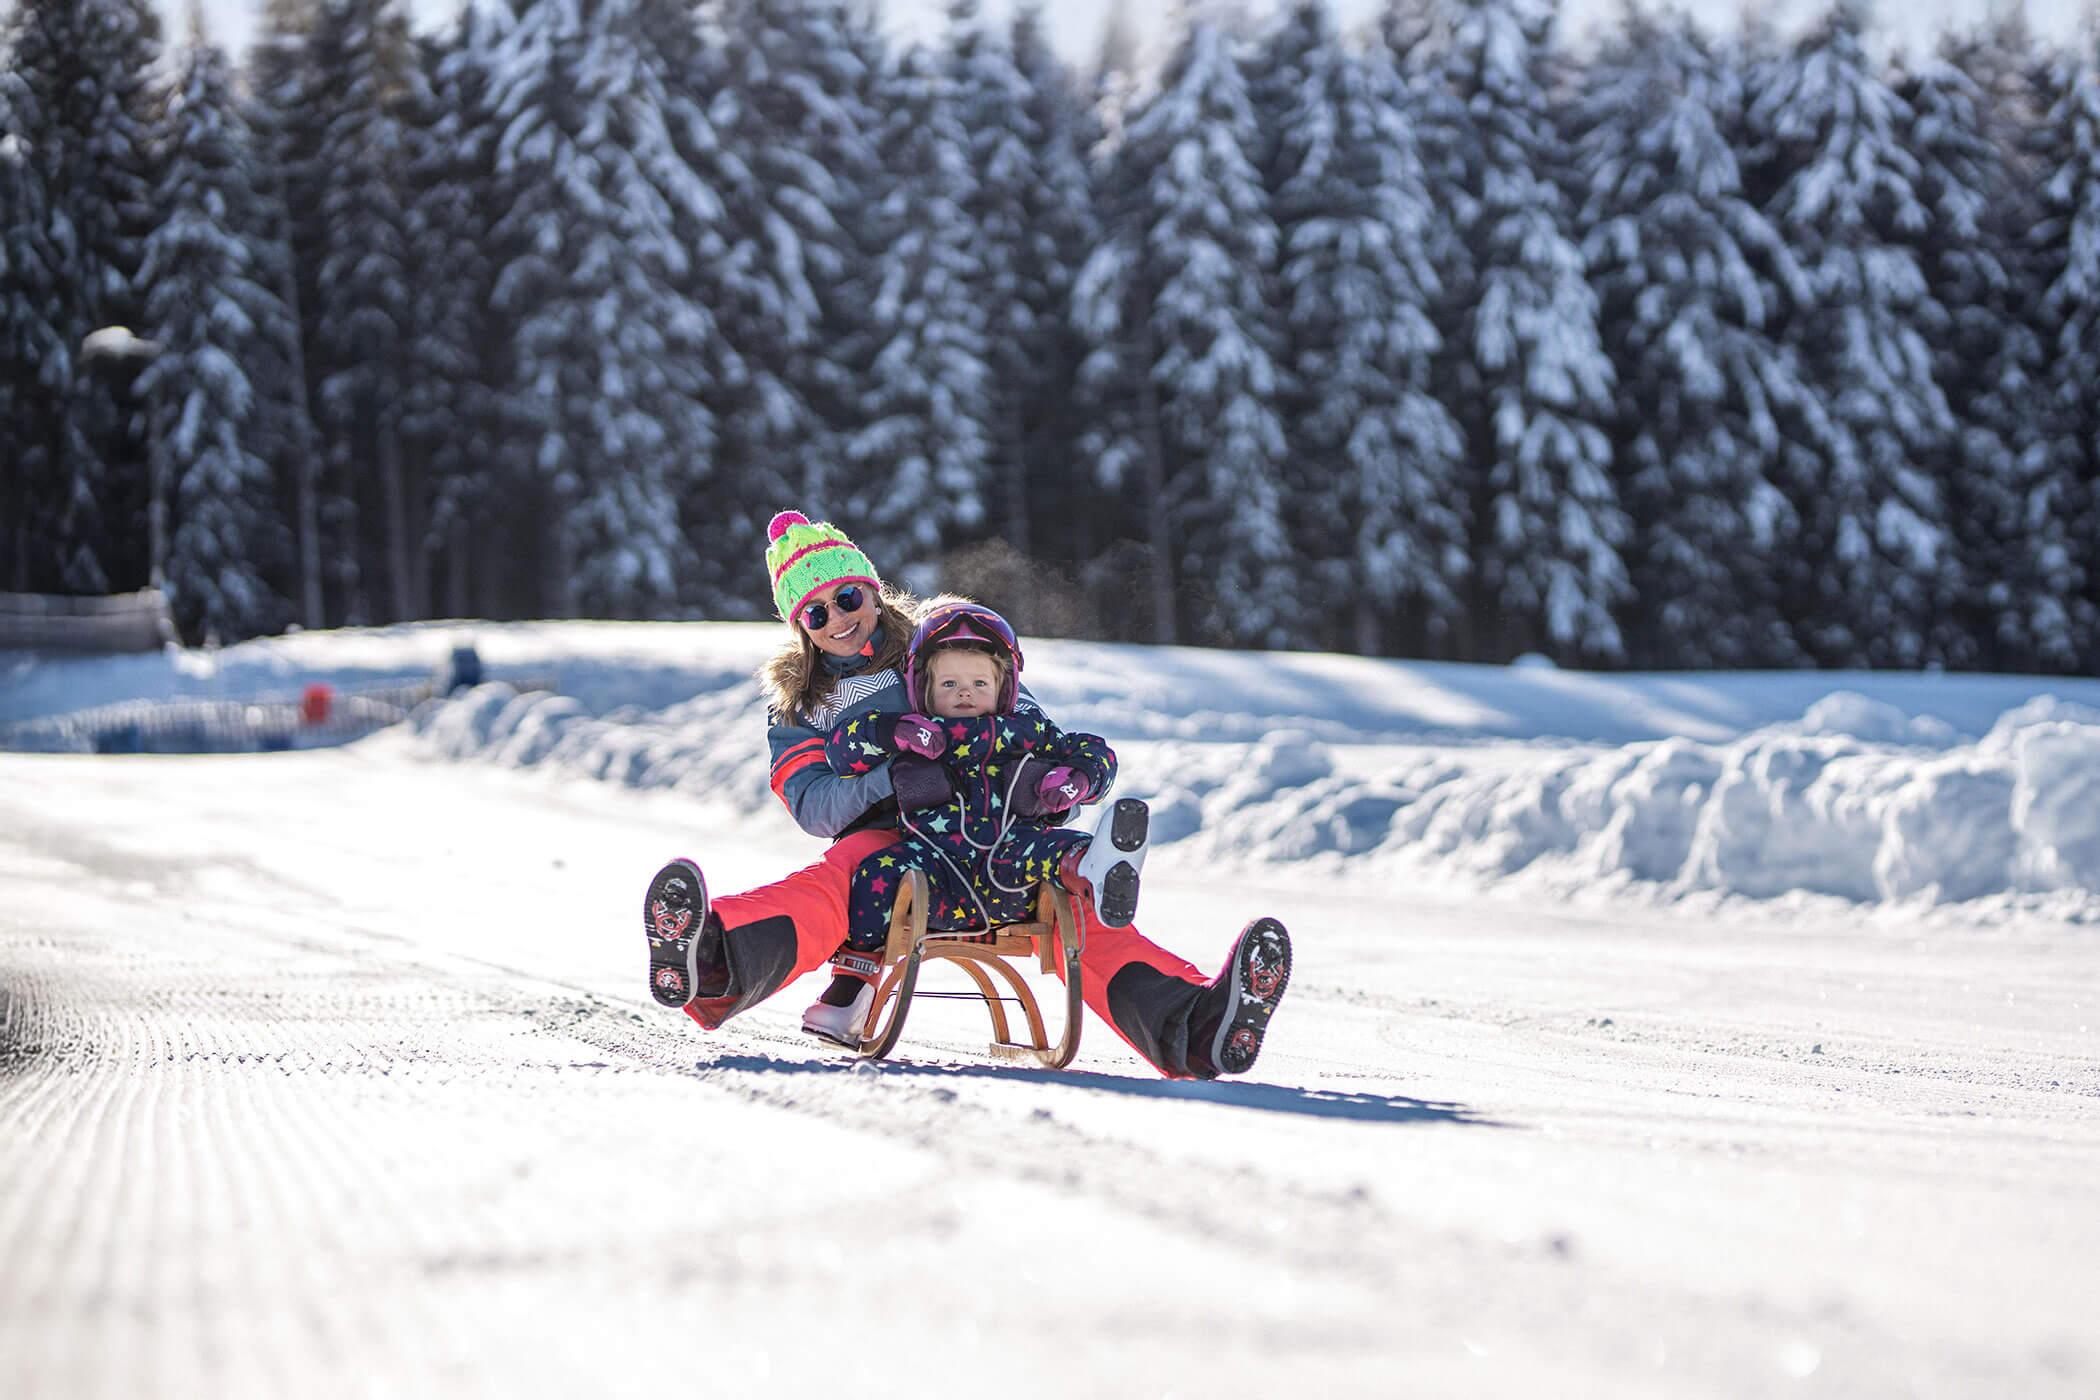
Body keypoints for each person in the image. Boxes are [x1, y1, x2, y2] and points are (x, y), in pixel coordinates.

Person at [641, 509, 1291, 1079]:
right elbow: (812, 802)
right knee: (836, 881)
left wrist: (1044, 787)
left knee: (1076, 907)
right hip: (892, 837)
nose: (837, 618)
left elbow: (1026, 725)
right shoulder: (799, 706)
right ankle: (709, 960)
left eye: (847, 597)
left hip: (994, 828)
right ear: (799, 626)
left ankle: (1198, 1028)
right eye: (815, 612)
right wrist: (890, 779)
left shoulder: (940, 645)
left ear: (869, 588)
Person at [797, 602, 1140, 1045]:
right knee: (876, 873)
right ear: (923, 688)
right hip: (933, 871)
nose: (965, 693)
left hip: (1014, 867)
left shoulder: (1026, 731)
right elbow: (842, 751)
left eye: (979, 682)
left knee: (1062, 847)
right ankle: (852, 990)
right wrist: (890, 732)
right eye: (950, 683)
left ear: (1004, 688)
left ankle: (1097, 871)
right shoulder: (920, 733)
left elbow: (1094, 750)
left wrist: (1077, 779)